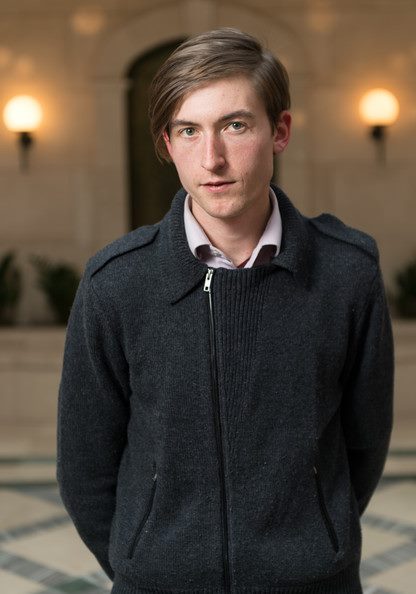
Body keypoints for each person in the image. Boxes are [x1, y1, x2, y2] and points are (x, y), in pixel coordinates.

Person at [57, 28, 394, 594]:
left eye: (235, 125)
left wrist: (313, 539)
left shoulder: (348, 273)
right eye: (189, 130)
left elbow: (365, 443)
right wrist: (146, 565)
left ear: (279, 130)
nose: (211, 158)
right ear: (167, 145)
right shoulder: (115, 284)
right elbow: (85, 466)